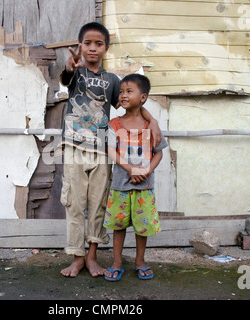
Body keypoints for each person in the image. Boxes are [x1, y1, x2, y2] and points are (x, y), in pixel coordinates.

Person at [59, 22, 162, 278]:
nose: (92, 48)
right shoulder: (76, 72)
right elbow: (65, 77)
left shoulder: (112, 80)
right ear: (80, 46)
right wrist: (70, 67)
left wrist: (154, 120)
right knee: (74, 204)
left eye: (98, 43)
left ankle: (92, 257)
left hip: (103, 149)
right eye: (87, 43)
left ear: (106, 48)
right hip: (74, 146)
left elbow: (130, 105)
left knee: (98, 205)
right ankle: (77, 257)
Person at [103, 73, 168, 281]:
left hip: (144, 187)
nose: (123, 95)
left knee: (142, 226)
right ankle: (117, 261)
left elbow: (159, 152)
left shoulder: (151, 127)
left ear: (143, 97)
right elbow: (111, 151)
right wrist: (130, 168)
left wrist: (146, 170)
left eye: (129, 91)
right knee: (119, 226)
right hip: (120, 185)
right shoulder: (114, 124)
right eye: (121, 91)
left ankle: (140, 261)